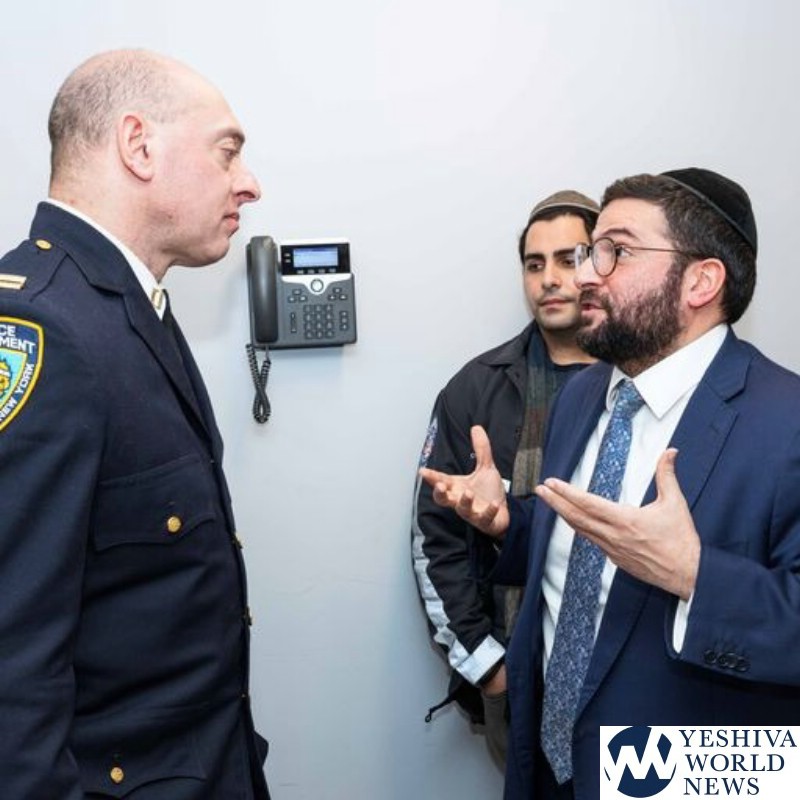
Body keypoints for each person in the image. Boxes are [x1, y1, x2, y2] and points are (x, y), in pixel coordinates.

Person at [420, 168, 800, 799]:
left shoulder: (786, 422)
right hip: (545, 759)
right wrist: (511, 522)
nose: (585, 276)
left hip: (678, 774)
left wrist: (695, 576)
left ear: (701, 282)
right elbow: (583, 546)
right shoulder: (585, 395)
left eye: (614, 252)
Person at [0, 49, 271, 798]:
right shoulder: (42, 328)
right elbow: (13, 664)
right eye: (227, 151)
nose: (249, 182)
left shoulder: (126, 307)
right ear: (138, 146)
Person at [412, 191, 598, 767]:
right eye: (534, 264)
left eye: (569, 259)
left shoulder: (648, 382)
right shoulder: (476, 388)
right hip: (520, 681)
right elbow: (433, 541)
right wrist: (490, 667)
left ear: (604, 263)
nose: (550, 279)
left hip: (628, 677)